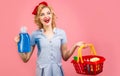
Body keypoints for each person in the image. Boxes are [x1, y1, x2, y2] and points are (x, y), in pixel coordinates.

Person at [15, 1, 87, 76]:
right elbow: (25, 59)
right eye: (42, 14)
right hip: (42, 73)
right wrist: (18, 44)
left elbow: (65, 57)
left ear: (52, 15)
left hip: (57, 73)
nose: (46, 16)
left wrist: (75, 45)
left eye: (48, 13)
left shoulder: (61, 33)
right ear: (39, 18)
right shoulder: (35, 34)